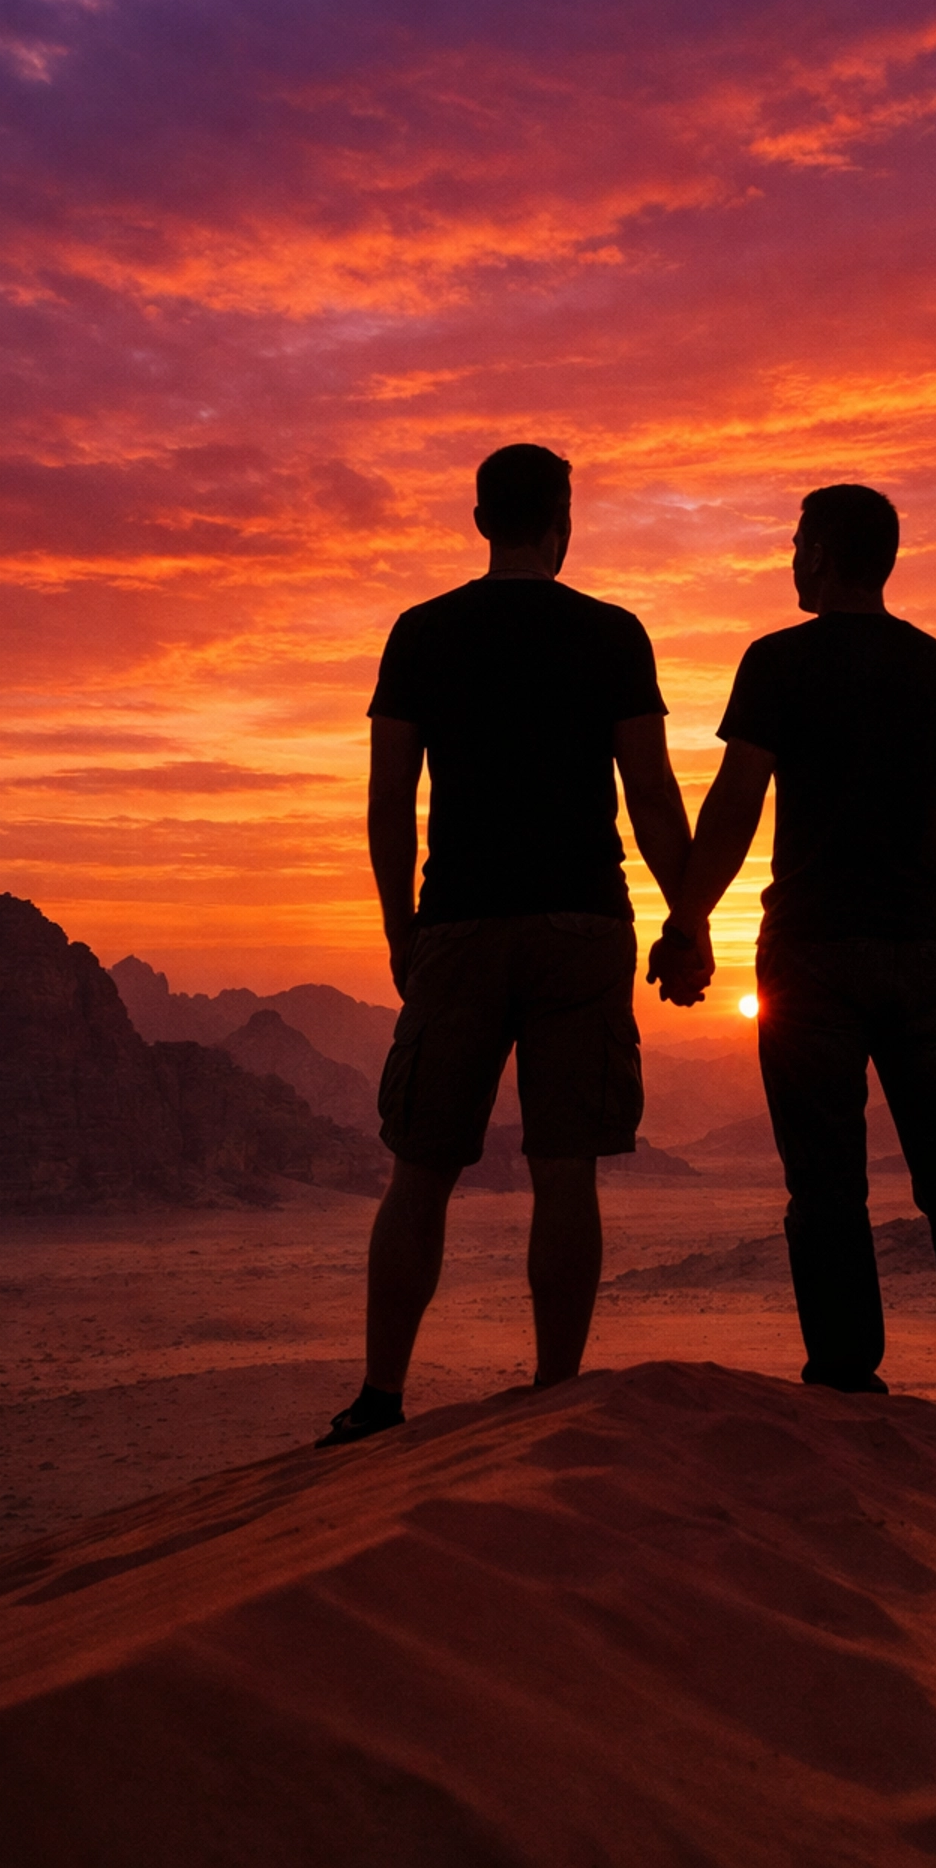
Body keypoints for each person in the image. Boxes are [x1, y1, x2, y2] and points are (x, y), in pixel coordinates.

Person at [647, 484, 936, 1436]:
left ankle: (845, 1384)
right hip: (921, 953)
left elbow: (737, 803)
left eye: (795, 544)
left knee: (825, 1182)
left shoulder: (777, 663)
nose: (789, 560)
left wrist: (686, 919)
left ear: (823, 554)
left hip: (812, 957)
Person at [320, 443, 692, 1446]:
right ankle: (557, 1391)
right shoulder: (612, 634)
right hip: (582, 924)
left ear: (481, 521)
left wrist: (404, 931)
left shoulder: (422, 633)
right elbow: (650, 792)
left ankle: (380, 1398)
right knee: (566, 1165)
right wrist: (688, 916)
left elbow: (390, 799)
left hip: (460, 923)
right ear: (561, 524)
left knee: (422, 1166)